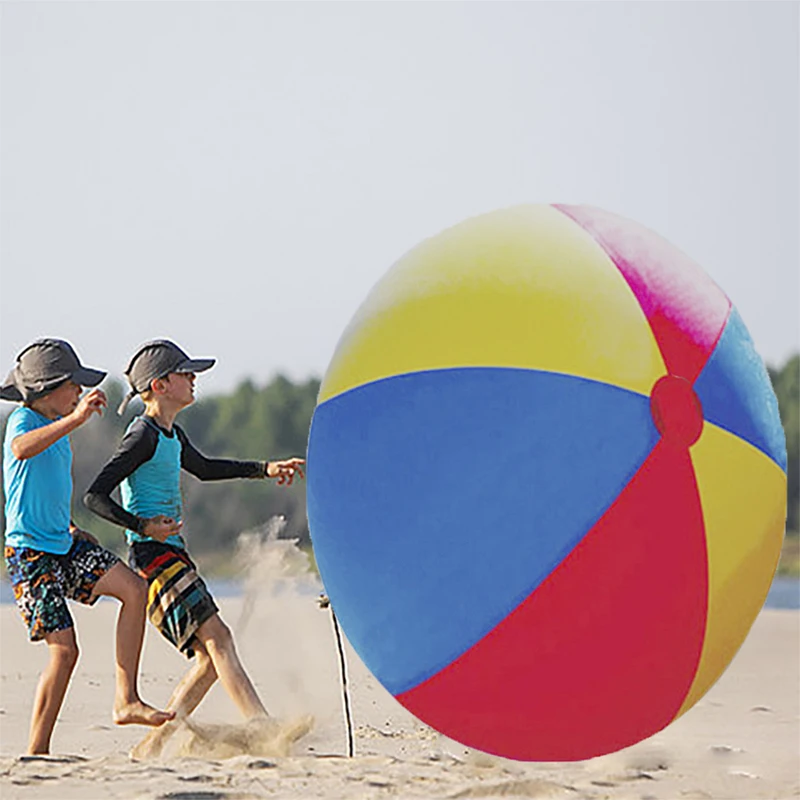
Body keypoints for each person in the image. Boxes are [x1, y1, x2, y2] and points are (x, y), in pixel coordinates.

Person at [83, 339, 305, 757]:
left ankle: (152, 745)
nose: (194, 379)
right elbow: (95, 496)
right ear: (161, 385)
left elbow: (204, 468)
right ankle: (262, 728)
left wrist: (265, 469)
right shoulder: (142, 435)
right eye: (186, 373)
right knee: (219, 638)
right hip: (153, 558)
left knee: (209, 659)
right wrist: (141, 525)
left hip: (173, 555)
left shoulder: (171, 434)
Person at [1, 339, 174, 755]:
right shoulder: (23, 421)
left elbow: (44, 491)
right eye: (73, 385)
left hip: (64, 542)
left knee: (134, 590)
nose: (79, 392)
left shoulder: (57, 434)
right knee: (65, 651)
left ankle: (126, 698)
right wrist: (76, 419)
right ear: (46, 388)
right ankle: (37, 751)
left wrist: (72, 527)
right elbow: (21, 451)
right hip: (29, 554)